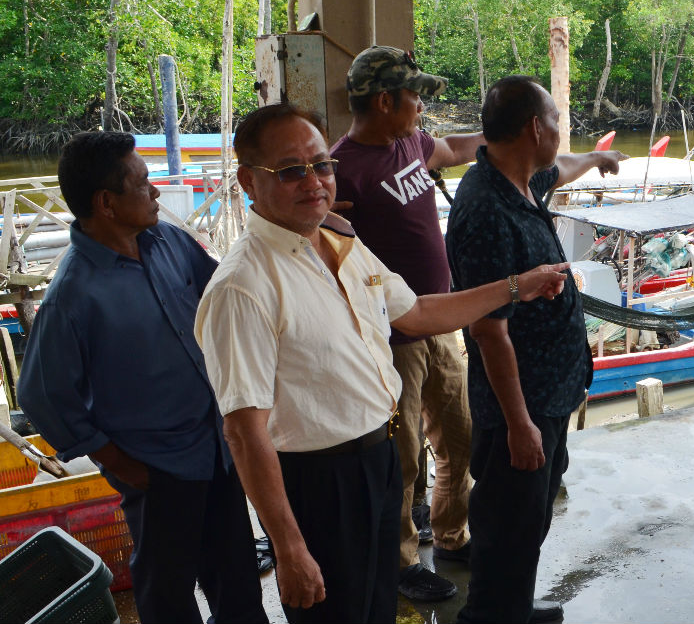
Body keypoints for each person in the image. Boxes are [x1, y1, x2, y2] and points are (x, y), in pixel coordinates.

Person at [194, 102, 570, 624]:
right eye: (291, 171)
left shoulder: (338, 241)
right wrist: (288, 548)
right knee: (338, 614)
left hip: (380, 455)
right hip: (319, 482)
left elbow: (416, 313)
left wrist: (515, 287)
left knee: (376, 606)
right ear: (249, 182)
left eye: (321, 165)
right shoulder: (243, 286)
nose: (313, 181)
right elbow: (243, 430)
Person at [18, 131, 267, 624]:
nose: (156, 194)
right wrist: (113, 458)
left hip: (216, 445)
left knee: (235, 572)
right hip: (156, 465)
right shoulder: (73, 294)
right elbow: (41, 394)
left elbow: (222, 294)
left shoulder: (166, 241)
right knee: (167, 590)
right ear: (106, 203)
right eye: (143, 185)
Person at [445, 76, 627, 624]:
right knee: (506, 530)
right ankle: (492, 614)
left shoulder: (523, 180)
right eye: (554, 120)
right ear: (533, 127)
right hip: (518, 408)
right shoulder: (485, 211)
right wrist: (518, 423)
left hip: (549, 392)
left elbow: (561, 167)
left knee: (529, 523)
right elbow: (488, 332)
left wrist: (598, 157)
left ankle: (514, 608)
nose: (558, 131)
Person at [330, 46, 480, 601]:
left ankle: (451, 535)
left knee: (460, 436)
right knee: (400, 455)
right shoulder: (341, 169)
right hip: (391, 336)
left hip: (440, 319)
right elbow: (331, 258)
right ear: (386, 100)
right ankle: (398, 563)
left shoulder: (411, 142)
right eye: (415, 96)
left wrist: (511, 138)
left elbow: (454, 148)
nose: (421, 106)